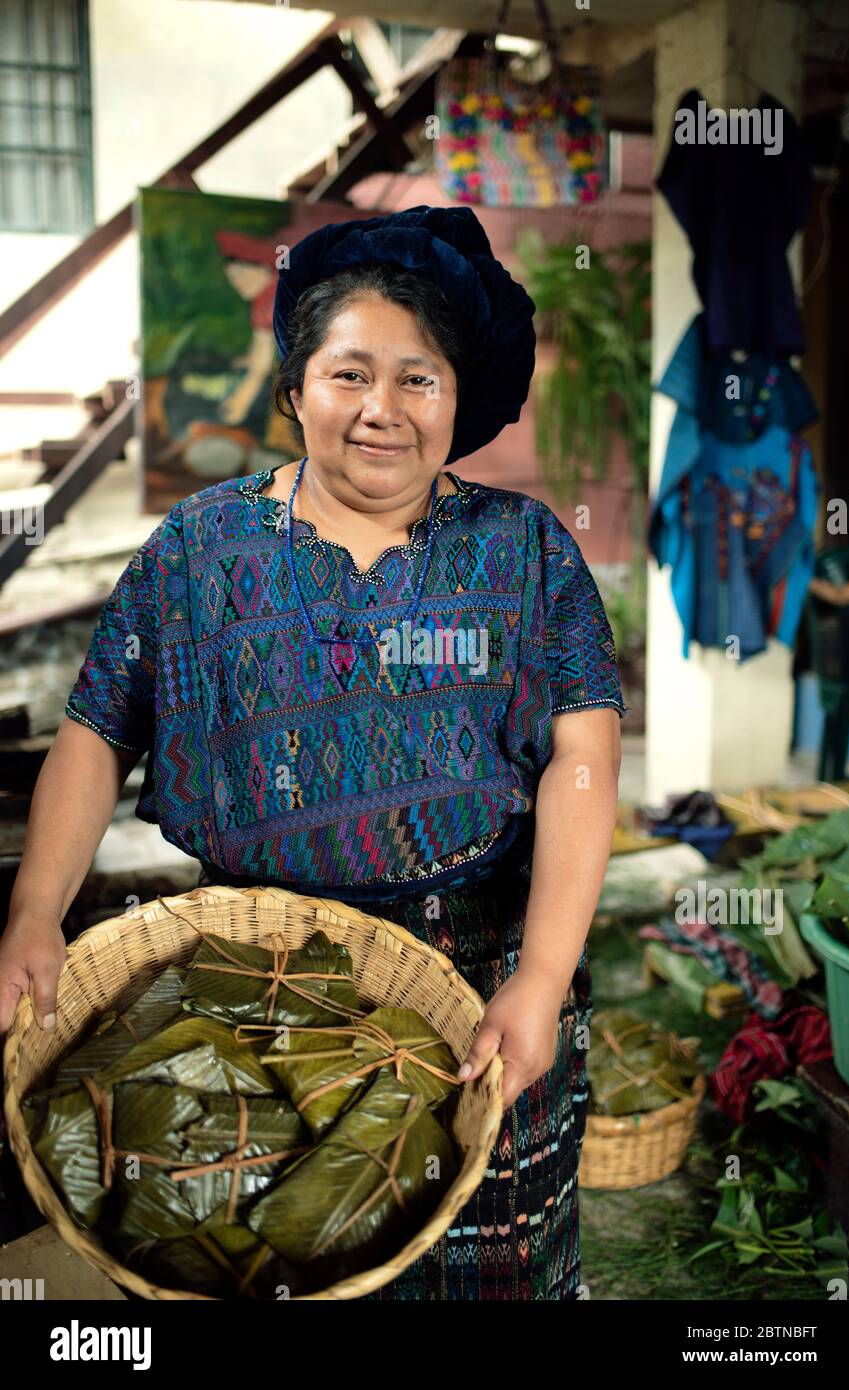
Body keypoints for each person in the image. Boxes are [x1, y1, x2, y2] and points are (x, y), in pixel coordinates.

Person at [0, 205, 628, 1300]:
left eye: (418, 379)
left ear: (457, 400)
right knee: (259, 1248)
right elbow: (98, 728)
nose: (381, 409)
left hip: (472, 973)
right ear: (295, 391)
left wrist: (539, 974)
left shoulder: (521, 550)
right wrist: (33, 912)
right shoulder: (198, 548)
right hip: (248, 973)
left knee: (486, 1271)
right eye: (349, 374)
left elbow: (584, 754)